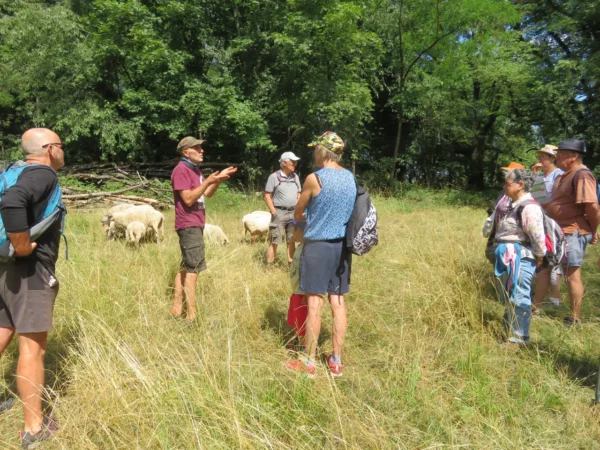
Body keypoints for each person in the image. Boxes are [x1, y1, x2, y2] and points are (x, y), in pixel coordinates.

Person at [0, 128, 65, 448]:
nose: (63, 151)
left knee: (1, 332)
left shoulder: (11, 172)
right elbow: (13, 202)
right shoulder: (43, 174)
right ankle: (34, 428)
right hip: (29, 271)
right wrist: (23, 245)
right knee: (32, 349)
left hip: (3, 270)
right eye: (61, 146)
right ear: (51, 149)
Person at [285, 131, 356, 378]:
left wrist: (303, 219)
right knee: (338, 302)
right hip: (342, 248)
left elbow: (298, 212)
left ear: (322, 152)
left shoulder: (314, 178)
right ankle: (336, 361)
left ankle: (309, 363)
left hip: (317, 247)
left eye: (315, 149)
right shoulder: (350, 177)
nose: (313, 153)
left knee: (314, 302)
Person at [170, 137, 237, 322]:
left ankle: (177, 307)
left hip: (196, 223)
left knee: (185, 266)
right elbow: (189, 199)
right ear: (186, 152)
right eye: (197, 147)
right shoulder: (181, 170)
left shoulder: (194, 169)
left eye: (201, 147)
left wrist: (218, 179)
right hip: (189, 224)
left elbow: (207, 193)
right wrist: (207, 181)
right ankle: (191, 316)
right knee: (194, 269)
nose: (202, 150)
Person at [544, 138, 600, 326]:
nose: (556, 156)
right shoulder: (563, 175)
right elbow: (550, 201)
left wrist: (593, 230)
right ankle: (546, 303)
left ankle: (574, 317)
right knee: (553, 269)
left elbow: (592, 207)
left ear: (574, 156)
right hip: (558, 231)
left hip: (572, 232)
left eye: (561, 154)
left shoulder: (582, 175)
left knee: (571, 273)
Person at [493, 168, 546, 346]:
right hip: (510, 255)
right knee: (510, 294)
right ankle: (510, 330)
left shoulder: (529, 207)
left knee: (520, 294)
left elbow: (537, 235)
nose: (504, 186)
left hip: (521, 257)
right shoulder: (513, 205)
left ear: (520, 185)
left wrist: (539, 256)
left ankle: (519, 338)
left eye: (508, 183)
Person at [530, 145, 564, 313]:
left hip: (553, 222)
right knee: (542, 258)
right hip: (540, 220)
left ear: (553, 158)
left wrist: (541, 203)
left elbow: (557, 198)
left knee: (554, 261)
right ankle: (540, 299)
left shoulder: (559, 175)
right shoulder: (541, 175)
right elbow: (534, 193)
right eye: (540, 156)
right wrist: (535, 177)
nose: (541, 159)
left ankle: (554, 298)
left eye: (544, 156)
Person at [264, 152, 301, 264]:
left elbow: (299, 193)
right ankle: (269, 267)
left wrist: (298, 210)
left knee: (291, 240)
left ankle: (291, 266)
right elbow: (267, 195)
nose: (295, 164)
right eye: (292, 162)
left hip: (293, 213)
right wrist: (274, 212)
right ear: (284, 163)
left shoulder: (295, 177)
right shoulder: (274, 177)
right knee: (274, 240)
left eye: (295, 162)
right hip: (279, 213)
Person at [286, 219, 307, 349]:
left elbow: (308, 272)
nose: (291, 232)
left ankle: (305, 347)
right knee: (296, 320)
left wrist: (305, 293)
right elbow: (291, 256)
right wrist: (291, 243)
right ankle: (297, 341)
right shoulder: (300, 247)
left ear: (299, 230)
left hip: (302, 293)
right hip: (296, 291)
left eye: (293, 229)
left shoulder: (308, 250)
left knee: (303, 322)